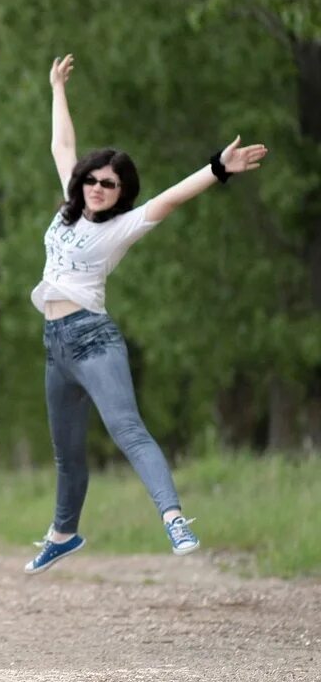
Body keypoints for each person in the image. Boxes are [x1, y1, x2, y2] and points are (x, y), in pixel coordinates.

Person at [24, 54, 268, 573]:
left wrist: (219, 168)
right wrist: (57, 89)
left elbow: (172, 199)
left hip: (92, 340)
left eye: (109, 184)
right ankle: (63, 534)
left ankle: (175, 518)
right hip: (55, 347)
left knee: (127, 429)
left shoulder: (122, 226)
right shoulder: (70, 207)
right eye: (93, 179)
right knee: (67, 453)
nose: (97, 187)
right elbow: (61, 145)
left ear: (121, 194)